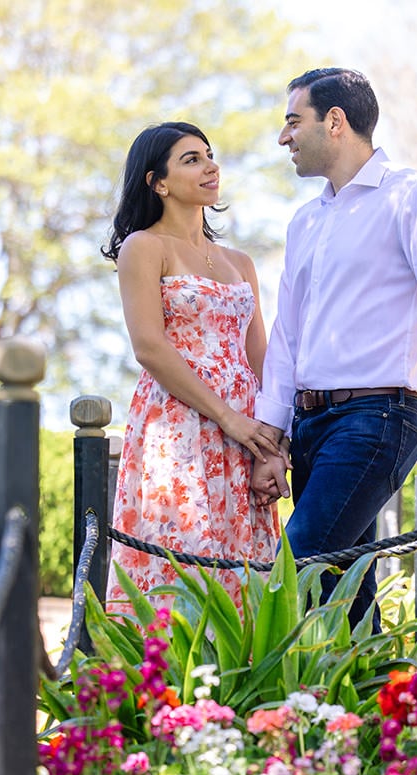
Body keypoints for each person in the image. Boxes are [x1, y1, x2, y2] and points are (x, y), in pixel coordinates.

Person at [252, 68, 417, 630]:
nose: (283, 137)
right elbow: (289, 333)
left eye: (293, 121)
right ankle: (390, 710)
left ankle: (236, 713)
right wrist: (272, 436)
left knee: (296, 571)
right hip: (309, 425)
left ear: (334, 122)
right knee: (343, 594)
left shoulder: (412, 196)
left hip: (375, 418)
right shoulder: (304, 221)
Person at [102, 121, 282, 615]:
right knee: (180, 561)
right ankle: (161, 686)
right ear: (157, 182)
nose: (210, 166)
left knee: (246, 573)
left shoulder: (240, 262)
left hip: (246, 434)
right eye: (191, 159)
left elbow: (261, 357)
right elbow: (150, 348)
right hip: (178, 428)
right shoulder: (145, 247)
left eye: (209, 155)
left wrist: (272, 444)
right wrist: (228, 418)